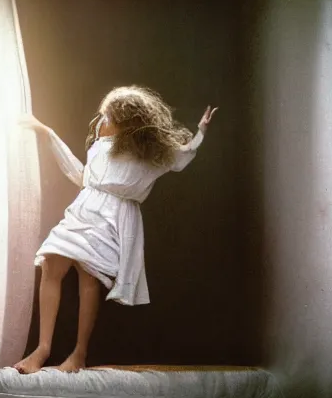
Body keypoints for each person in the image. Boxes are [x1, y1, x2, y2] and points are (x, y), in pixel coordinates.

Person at [15, 85, 218, 374]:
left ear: (125, 124)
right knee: (51, 263)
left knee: (89, 278)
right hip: (84, 210)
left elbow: (180, 157)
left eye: (107, 118)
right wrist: (48, 133)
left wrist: (200, 133)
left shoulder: (144, 156)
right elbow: (81, 176)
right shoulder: (99, 147)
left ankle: (79, 354)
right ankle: (42, 348)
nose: (99, 123)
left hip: (112, 217)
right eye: (100, 117)